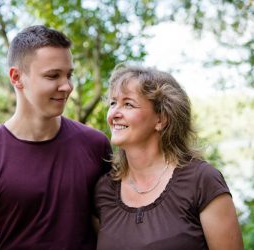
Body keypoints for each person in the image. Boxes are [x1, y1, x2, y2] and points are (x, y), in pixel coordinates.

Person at [0, 25, 111, 250]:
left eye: (69, 75)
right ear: (17, 77)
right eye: (53, 75)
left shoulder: (96, 145)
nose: (67, 86)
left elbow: (109, 232)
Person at [94, 64, 244, 250]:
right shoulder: (104, 189)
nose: (114, 113)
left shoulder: (202, 181)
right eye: (113, 103)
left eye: (128, 104)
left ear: (161, 119)